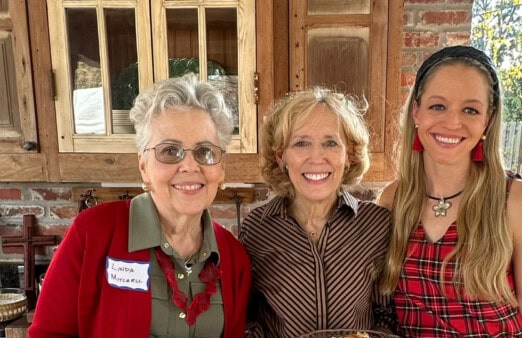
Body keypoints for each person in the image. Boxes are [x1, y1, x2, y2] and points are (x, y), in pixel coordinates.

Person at [29, 74, 251, 337]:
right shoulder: (92, 233)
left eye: (205, 152)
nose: (190, 166)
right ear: (143, 167)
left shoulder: (233, 257)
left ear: (221, 168)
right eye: (170, 151)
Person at [378, 45, 522, 337]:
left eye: (470, 109)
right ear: (416, 111)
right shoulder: (392, 199)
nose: (452, 122)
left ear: (487, 120)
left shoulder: (517, 201)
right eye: (438, 106)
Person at [239, 87, 395, 338]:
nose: (316, 157)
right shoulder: (256, 230)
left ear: (349, 155)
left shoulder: (377, 225)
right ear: (281, 157)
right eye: (301, 143)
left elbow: (388, 311)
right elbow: (247, 316)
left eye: (330, 143)